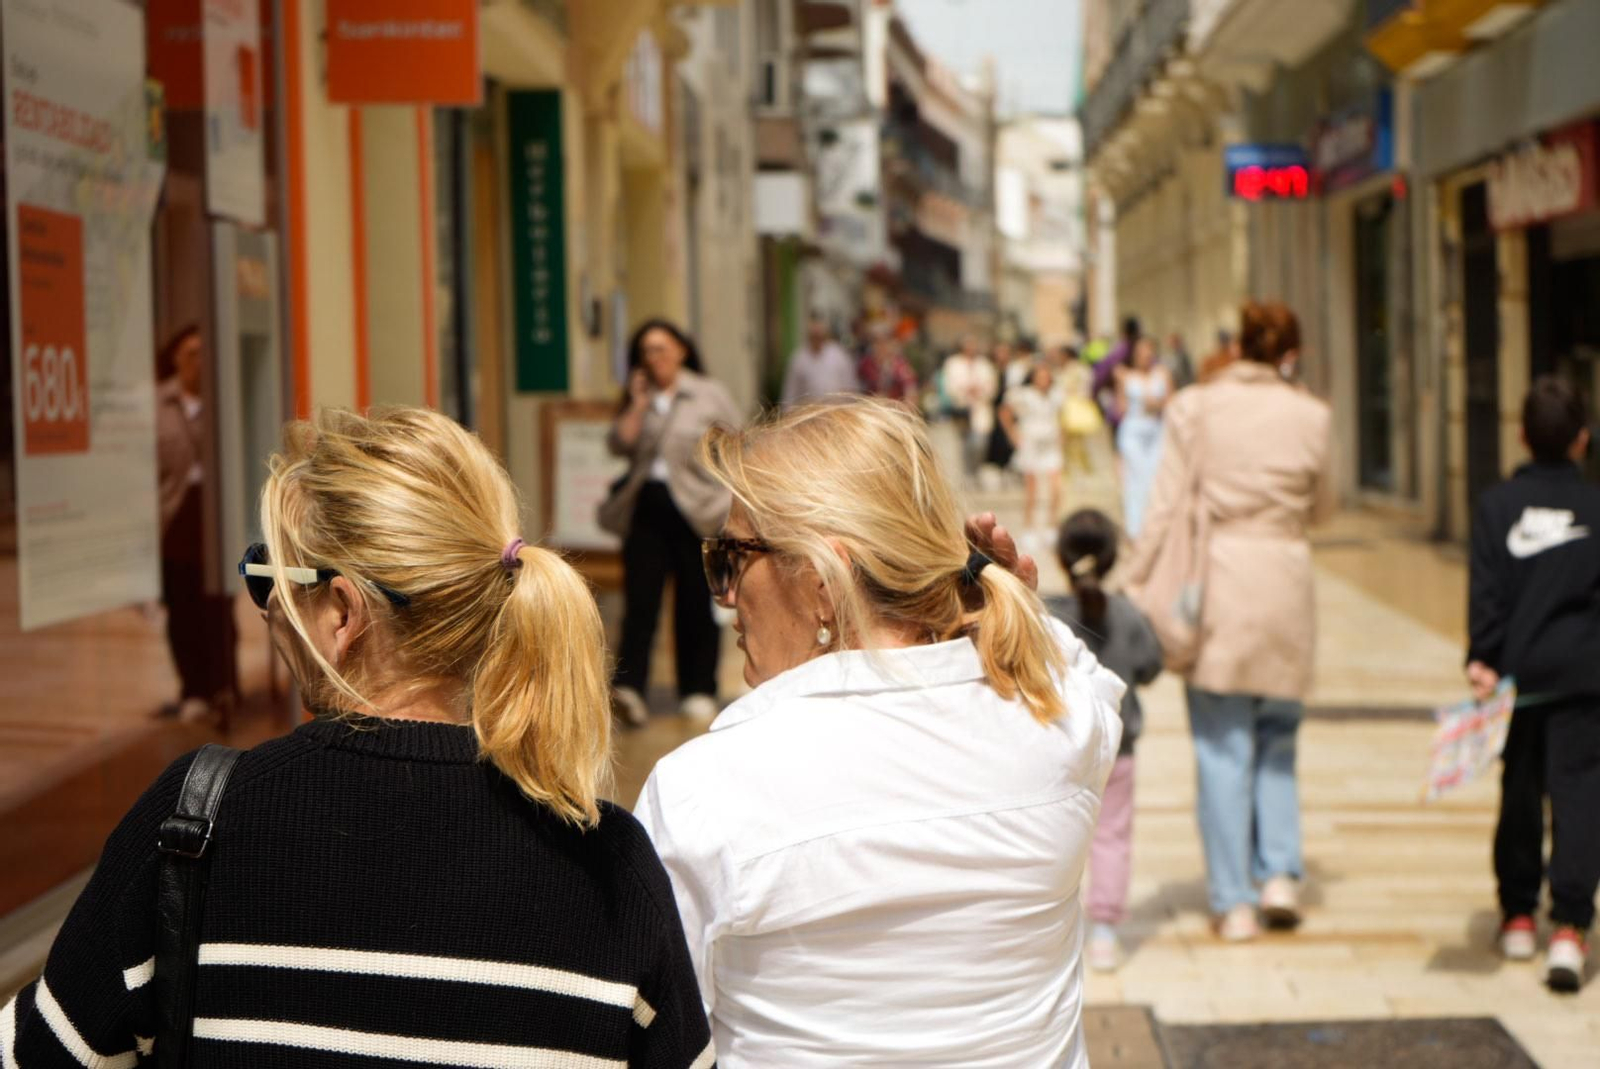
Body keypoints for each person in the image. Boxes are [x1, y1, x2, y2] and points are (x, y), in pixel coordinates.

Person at [1, 406, 714, 1066]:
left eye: (273, 575)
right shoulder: (611, 865)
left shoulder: (196, 824)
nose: (270, 605)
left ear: (342, 613)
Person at [634, 398, 1125, 1068]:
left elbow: (649, 1024)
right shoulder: (1058, 726)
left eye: (732, 556)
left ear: (820, 580)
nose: (723, 593)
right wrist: (1013, 606)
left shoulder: (703, 792)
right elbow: (1089, 677)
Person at [1123, 300, 1334, 943]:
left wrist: (1134, 579)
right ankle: (1279, 874)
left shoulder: (1195, 407)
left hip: (1215, 586)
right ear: (1290, 354)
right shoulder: (1313, 416)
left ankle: (1233, 900)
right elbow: (1324, 509)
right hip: (1286, 584)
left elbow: (1162, 509)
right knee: (1279, 739)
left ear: (1239, 345)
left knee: (1221, 746)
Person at [1466, 375, 1600, 993]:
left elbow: (1488, 592)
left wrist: (1482, 657)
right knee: (1578, 795)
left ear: (1521, 435)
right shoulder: (1596, 507)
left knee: (1518, 792)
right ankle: (1570, 928)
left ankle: (1518, 914)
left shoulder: (1497, 506)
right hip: (1582, 676)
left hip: (1517, 679)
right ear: (1582, 438)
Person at [607, 319, 744, 726]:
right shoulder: (641, 395)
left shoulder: (707, 393)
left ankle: (698, 688)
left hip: (698, 507)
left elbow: (736, 443)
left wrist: (727, 496)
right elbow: (619, 444)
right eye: (647, 350)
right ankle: (630, 689)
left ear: (682, 350)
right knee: (642, 600)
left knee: (696, 600)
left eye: (662, 348)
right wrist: (636, 403)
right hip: (648, 506)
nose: (655, 358)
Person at [1047, 509, 1163, 972]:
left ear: (1061, 557)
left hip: (1057, 745)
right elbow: (1151, 665)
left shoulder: (1048, 613)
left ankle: (1055, 928)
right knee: (1112, 837)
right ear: (1113, 558)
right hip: (1118, 750)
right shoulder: (1128, 614)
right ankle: (1105, 933)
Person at [154, 325, 238, 724]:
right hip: (174, 517)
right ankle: (193, 689)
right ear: (175, 358)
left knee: (218, 606)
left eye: (204, 353)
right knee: (182, 609)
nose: (198, 361)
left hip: (214, 516)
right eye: (190, 353)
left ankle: (224, 685)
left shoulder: (222, 399)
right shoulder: (158, 404)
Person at [1114, 337, 1172, 537]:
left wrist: (1156, 404)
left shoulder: (1162, 373)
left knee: (1154, 475)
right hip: (1133, 430)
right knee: (1136, 477)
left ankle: (1155, 522)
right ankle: (1135, 527)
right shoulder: (1125, 375)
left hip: (1156, 429)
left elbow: (1171, 401)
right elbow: (1120, 407)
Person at [1001, 360, 1065, 533]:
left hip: (1050, 445)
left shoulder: (1055, 395)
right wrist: (1013, 435)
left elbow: (1059, 417)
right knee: (1032, 488)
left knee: (1056, 486)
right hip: (1031, 443)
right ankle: (1029, 526)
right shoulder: (1024, 395)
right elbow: (1005, 412)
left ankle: (1052, 525)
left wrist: (1061, 437)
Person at [941, 336, 999, 481]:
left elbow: (992, 386)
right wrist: (964, 391)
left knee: (979, 442)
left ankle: (975, 469)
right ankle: (967, 474)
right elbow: (949, 386)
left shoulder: (983, 364)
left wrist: (980, 391)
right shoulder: (953, 363)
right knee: (964, 442)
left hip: (980, 408)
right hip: (962, 409)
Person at [780, 315, 856, 404]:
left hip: (836, 411)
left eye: (820, 336)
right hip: (809, 411)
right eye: (814, 336)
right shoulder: (798, 359)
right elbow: (790, 391)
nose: (817, 340)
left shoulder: (838, 355)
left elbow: (849, 383)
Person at [1058, 347, 1101, 477]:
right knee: (1073, 441)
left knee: (1076, 441)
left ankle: (1079, 469)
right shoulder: (1079, 369)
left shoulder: (1076, 370)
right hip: (1074, 407)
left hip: (1074, 408)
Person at [1092, 316, 1140, 433]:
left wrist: (1094, 395)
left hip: (1126, 409)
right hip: (1128, 408)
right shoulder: (1126, 350)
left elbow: (1100, 375)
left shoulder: (1119, 351)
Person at [858, 330, 919, 404]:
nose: (881, 347)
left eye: (885, 343)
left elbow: (911, 390)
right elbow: (860, 387)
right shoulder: (866, 364)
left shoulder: (900, 366)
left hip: (894, 407)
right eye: (877, 343)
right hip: (873, 406)